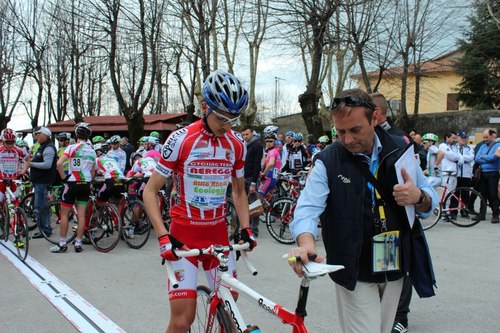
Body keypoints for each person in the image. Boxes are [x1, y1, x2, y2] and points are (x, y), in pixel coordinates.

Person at [288, 88, 438, 333]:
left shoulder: (400, 149)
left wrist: (417, 196)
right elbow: (306, 208)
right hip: (353, 268)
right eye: (340, 131)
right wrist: (306, 243)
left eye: (355, 130)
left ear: (375, 117)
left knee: (383, 329)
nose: (347, 140)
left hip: (394, 262)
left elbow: (429, 199)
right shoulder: (328, 160)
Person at [143, 70, 257, 333]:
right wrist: (163, 237)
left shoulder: (237, 144)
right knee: (183, 320)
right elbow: (149, 192)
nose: (228, 125)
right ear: (205, 107)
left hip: (218, 233)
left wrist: (245, 228)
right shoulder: (180, 139)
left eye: (234, 119)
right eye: (221, 118)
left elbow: (239, 192)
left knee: (230, 303)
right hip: (184, 235)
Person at [52, 123, 96, 253]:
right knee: (81, 215)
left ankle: (62, 243)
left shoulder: (72, 148)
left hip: (72, 183)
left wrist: (63, 178)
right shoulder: (92, 150)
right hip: (86, 183)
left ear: (76, 134)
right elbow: (93, 172)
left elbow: (59, 163)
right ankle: (78, 243)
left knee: (64, 214)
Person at [0, 129, 29, 246]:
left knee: (15, 206)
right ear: (3, 141)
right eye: (8, 143)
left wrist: (24, 170)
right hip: (1, 181)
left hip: (13, 181)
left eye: (12, 142)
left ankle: (17, 231)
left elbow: (28, 159)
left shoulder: (18, 150)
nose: (10, 145)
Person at [30, 127, 58, 239]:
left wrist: (31, 164)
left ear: (45, 135)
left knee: (41, 206)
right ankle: (43, 228)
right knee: (39, 206)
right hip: (39, 180)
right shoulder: (43, 146)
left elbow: (47, 165)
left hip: (43, 181)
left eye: (38, 134)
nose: (36, 136)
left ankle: (45, 229)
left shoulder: (49, 148)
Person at [472, 129, 500, 223]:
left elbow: (495, 157)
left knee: (493, 194)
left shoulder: (498, 145)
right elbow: (476, 158)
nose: (485, 139)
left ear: (493, 136)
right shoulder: (483, 146)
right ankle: (482, 214)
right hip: (483, 173)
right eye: (483, 137)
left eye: (486, 137)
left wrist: (483, 157)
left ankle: (495, 215)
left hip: (493, 173)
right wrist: (487, 158)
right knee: (482, 194)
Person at [241, 125, 264, 236]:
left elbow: (257, 165)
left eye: (247, 134)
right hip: (244, 177)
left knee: (254, 205)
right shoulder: (246, 145)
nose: (245, 137)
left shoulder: (257, 145)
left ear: (252, 133)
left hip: (252, 178)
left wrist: (254, 183)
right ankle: (247, 228)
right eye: (243, 135)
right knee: (245, 205)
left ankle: (254, 230)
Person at [437, 131, 463, 220]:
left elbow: (461, 160)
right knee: (446, 194)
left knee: (451, 194)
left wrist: (457, 158)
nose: (455, 140)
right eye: (453, 138)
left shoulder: (455, 147)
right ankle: (444, 213)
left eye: (456, 138)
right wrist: (457, 158)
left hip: (454, 174)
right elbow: (453, 157)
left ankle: (445, 211)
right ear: (447, 138)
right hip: (447, 173)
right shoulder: (442, 146)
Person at [449, 131, 474, 218]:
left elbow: (471, 158)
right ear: (458, 138)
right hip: (456, 174)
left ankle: (464, 211)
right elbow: (452, 157)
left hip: (466, 175)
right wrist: (462, 158)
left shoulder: (469, 148)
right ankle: (453, 211)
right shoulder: (453, 147)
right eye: (461, 137)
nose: (463, 139)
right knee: (455, 193)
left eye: (465, 138)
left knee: (465, 194)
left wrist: (459, 158)